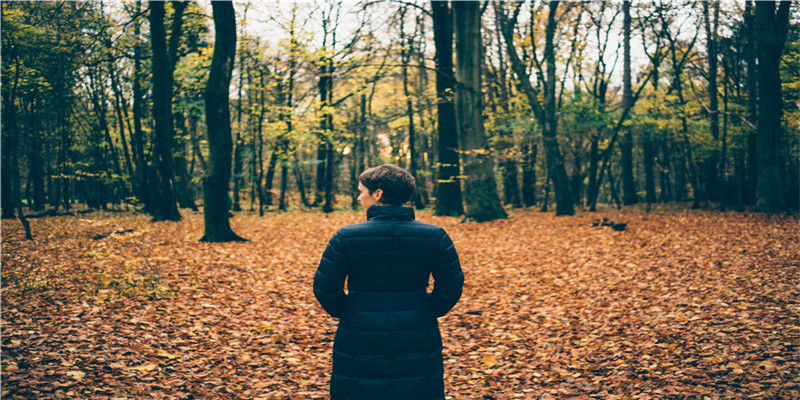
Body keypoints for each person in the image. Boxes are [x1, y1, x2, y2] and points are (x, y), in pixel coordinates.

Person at [314, 164, 464, 400]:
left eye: (362, 191)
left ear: (378, 194)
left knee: (358, 390)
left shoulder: (346, 236)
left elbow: (325, 287)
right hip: (417, 331)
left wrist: (351, 312)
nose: (358, 197)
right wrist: (426, 310)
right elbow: (451, 285)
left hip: (359, 333)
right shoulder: (435, 235)